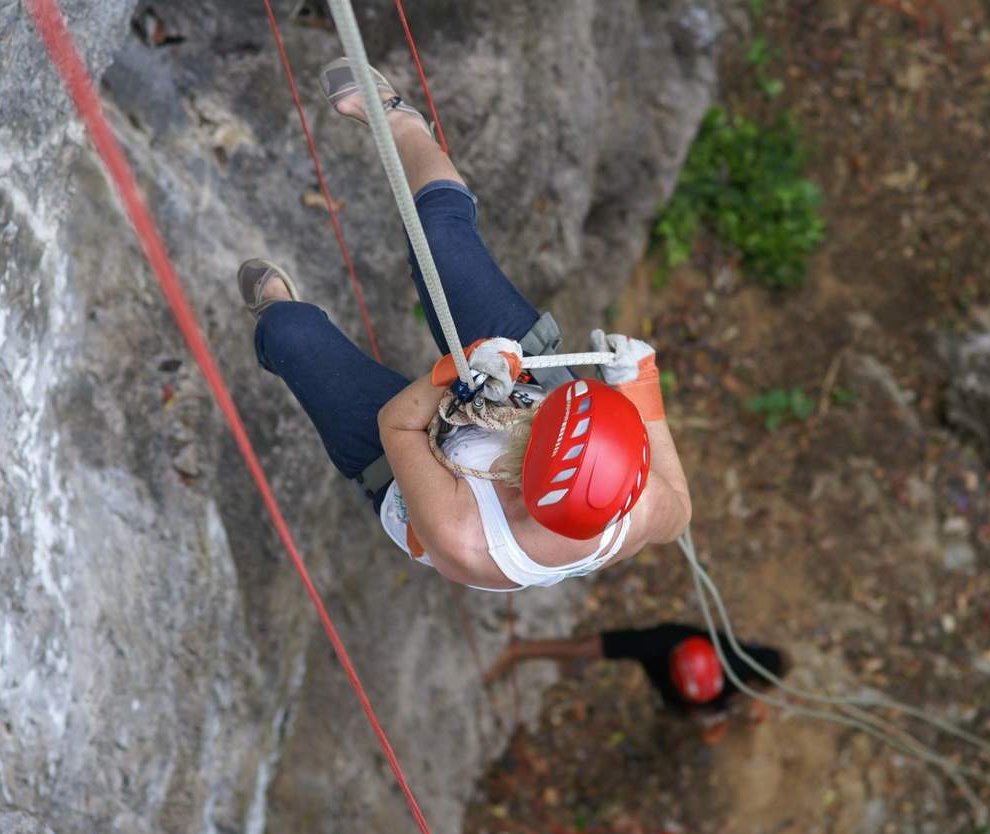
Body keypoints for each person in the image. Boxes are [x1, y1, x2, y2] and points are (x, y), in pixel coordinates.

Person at [240, 58, 692, 591]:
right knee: (439, 241)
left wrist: (457, 369)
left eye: (527, 438)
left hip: (409, 466)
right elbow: (680, 511)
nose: (522, 425)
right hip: (518, 383)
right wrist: (639, 385)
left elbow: (397, 423)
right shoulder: (635, 503)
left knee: (289, 335)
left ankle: (278, 312)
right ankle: (402, 122)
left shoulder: (467, 539)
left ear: (525, 488)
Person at [482, 623, 790, 741]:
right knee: (586, 648)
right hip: (671, 667)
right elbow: (705, 718)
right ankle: (518, 649)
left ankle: (528, 651)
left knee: (587, 647)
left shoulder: (731, 644)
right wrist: (718, 716)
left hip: (666, 644)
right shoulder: (728, 688)